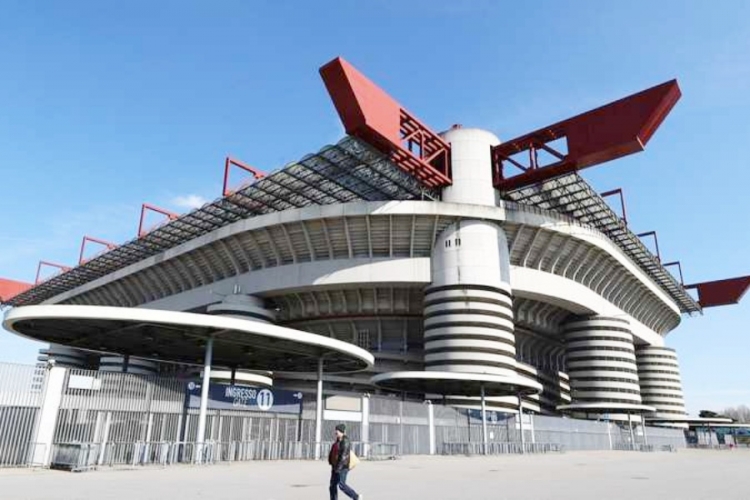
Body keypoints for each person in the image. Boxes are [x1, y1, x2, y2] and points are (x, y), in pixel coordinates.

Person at [328, 423, 362, 500]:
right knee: (332, 486)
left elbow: (344, 456)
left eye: (337, 431)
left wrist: (338, 468)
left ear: (341, 432)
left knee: (341, 485)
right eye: (335, 430)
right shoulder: (337, 441)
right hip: (335, 466)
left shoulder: (345, 441)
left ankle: (356, 496)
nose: (336, 432)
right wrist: (331, 461)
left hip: (342, 467)